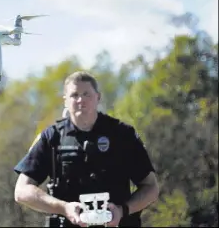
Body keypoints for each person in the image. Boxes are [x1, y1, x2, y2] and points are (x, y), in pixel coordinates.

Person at [13, 71, 159, 227]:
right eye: (74, 95)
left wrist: (122, 210)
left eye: (86, 94)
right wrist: (63, 208)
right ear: (65, 101)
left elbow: (151, 187)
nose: (80, 100)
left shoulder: (123, 135)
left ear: (98, 97)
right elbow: (22, 191)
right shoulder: (52, 138)